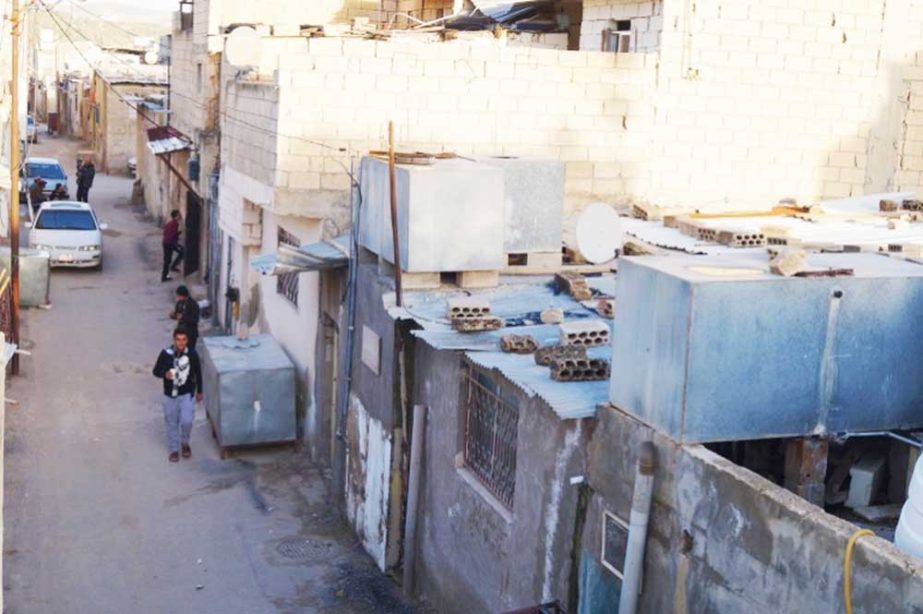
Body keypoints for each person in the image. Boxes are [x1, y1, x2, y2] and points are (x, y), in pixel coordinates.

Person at [152, 327, 203, 462]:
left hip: (187, 394)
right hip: (170, 395)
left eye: (183, 340)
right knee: (171, 423)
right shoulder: (165, 354)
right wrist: (165, 374)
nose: (181, 343)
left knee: (187, 421)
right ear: (174, 340)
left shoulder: (192, 354)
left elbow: (198, 373)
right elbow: (155, 371)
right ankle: (174, 449)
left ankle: (184, 442)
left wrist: (200, 391)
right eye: (178, 340)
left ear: (187, 340)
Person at [169, 285, 200, 349]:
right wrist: (173, 315)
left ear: (182, 295)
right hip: (181, 331)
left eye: (178, 296)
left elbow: (195, 320)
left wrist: (183, 317)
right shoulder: (179, 303)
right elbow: (177, 313)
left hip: (190, 333)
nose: (177, 297)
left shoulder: (193, 305)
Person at [161, 209, 184, 282]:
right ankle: (165, 276)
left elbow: (165, 233)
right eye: (178, 214)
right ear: (176, 216)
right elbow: (172, 235)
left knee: (168, 259)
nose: (180, 216)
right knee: (168, 259)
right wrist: (176, 242)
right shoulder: (174, 224)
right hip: (169, 243)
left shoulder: (170, 223)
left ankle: (169, 271)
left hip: (167, 242)